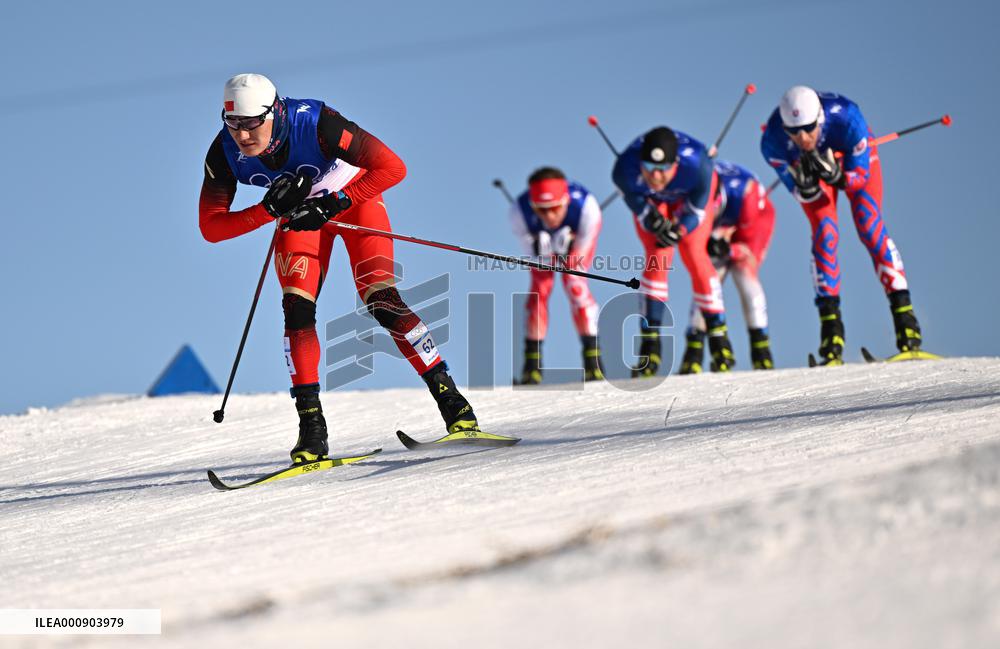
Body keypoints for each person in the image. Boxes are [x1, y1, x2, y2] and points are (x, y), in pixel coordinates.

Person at [199, 73, 481, 463]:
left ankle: (456, 408)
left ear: (274, 112)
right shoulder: (223, 153)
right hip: (298, 219)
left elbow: (393, 168)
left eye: (251, 123)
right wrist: (267, 210)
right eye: (233, 124)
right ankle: (312, 432)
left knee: (382, 301)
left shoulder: (315, 123)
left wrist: (336, 203)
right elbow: (211, 228)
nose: (243, 135)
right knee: (296, 310)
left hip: (354, 201)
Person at [761, 86, 922, 365]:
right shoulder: (772, 141)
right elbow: (797, 190)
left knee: (869, 226)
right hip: (813, 167)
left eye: (809, 129)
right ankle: (831, 335)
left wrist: (840, 177)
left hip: (850, 157)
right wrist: (805, 187)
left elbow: (859, 177)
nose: (802, 137)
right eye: (794, 132)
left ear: (819, 120)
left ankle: (906, 322)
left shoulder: (847, 118)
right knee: (825, 234)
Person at [613, 126, 735, 376]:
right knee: (658, 255)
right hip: (652, 202)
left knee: (694, 252)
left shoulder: (698, 165)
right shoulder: (624, 168)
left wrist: (679, 229)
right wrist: (650, 219)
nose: (656, 176)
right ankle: (650, 343)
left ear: (676, 164)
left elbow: (698, 212)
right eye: (648, 168)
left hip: (688, 200)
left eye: (663, 170)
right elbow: (635, 201)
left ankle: (719, 339)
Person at [680, 159, 776, 373]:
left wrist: (729, 249)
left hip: (753, 221)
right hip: (722, 225)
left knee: (744, 274)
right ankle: (694, 352)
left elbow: (748, 250)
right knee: (707, 277)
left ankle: (761, 352)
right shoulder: (693, 195)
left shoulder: (746, 194)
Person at [508, 167, 603, 384]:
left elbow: (578, 258)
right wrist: (543, 251)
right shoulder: (518, 212)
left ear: (566, 200)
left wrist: (569, 248)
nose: (549, 216)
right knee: (540, 289)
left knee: (574, 282)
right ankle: (531, 365)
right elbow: (533, 255)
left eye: (555, 208)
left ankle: (593, 361)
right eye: (541, 210)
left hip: (578, 238)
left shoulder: (587, 208)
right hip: (542, 247)